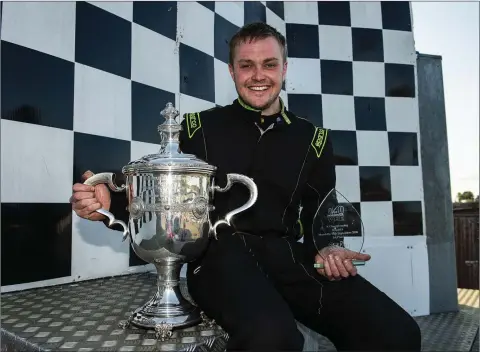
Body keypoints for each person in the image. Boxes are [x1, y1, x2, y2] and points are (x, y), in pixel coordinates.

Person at [71, 22, 421, 351]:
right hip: (218, 259)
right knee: (274, 338)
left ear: (284, 69)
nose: (258, 76)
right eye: (246, 65)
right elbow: (160, 192)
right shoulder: (197, 127)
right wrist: (108, 202)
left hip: (289, 258)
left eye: (269, 64)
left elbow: (320, 213)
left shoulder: (314, 139)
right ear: (232, 71)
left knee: (396, 333)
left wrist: (329, 248)